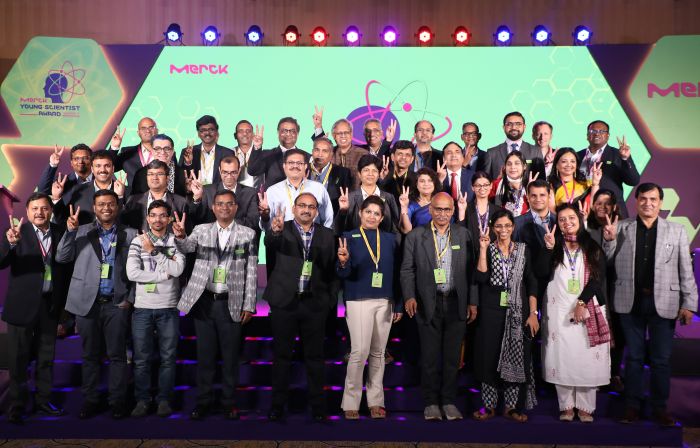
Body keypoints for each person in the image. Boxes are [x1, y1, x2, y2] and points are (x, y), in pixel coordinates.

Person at [601, 183, 698, 426]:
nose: (648, 203)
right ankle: (631, 407)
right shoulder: (621, 227)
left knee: (660, 360)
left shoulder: (676, 230)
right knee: (633, 358)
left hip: (665, 303)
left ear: (661, 203)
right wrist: (609, 240)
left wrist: (689, 304)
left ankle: (659, 409)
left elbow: (686, 271)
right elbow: (607, 262)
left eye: (653, 199)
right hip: (629, 301)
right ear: (636, 201)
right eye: (643, 199)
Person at [173, 189, 258, 421]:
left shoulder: (248, 234)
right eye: (220, 203)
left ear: (236, 207)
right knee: (205, 357)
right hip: (204, 302)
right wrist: (180, 236)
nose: (224, 208)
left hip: (232, 302)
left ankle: (229, 403)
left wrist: (249, 304)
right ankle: (203, 402)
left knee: (230, 358)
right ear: (213, 207)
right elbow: (186, 248)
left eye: (229, 204)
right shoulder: (201, 230)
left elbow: (252, 270)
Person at [56, 190, 137, 419]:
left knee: (118, 355)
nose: (106, 208)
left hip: (116, 304)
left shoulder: (131, 234)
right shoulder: (80, 231)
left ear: (117, 207)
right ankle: (91, 399)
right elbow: (62, 257)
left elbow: (138, 269)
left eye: (111, 204)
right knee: (90, 355)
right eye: (101, 204)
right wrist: (69, 232)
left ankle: (117, 401)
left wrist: (130, 298)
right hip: (86, 303)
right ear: (94, 207)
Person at [401, 192, 478, 421]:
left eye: (447, 209)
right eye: (438, 209)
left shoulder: (463, 234)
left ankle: (449, 401)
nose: (442, 214)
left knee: (452, 358)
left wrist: (472, 301)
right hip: (427, 303)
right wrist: (409, 296)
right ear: (430, 210)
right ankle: (431, 402)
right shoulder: (416, 236)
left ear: (453, 211)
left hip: (456, 302)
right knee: (430, 357)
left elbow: (472, 272)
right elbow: (407, 270)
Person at [264, 192, 338, 421]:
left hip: (314, 304)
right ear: (294, 208)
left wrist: (329, 301)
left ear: (317, 211)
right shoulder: (281, 228)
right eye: (302, 205)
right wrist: (274, 231)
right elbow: (270, 244)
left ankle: (318, 407)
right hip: (284, 303)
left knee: (315, 358)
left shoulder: (327, 235)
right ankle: (277, 406)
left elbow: (332, 271)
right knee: (282, 357)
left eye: (311, 207)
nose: (306, 210)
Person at [537, 203, 610, 423]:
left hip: (587, 306)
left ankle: (586, 407)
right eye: (562, 219)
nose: (567, 222)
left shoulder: (592, 246)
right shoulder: (554, 245)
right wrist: (547, 249)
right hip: (559, 310)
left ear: (579, 220)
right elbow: (541, 273)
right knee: (563, 357)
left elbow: (598, 278)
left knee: (586, 357)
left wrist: (581, 302)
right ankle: (566, 406)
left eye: (571, 218)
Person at [1, 193, 68, 423]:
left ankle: (43, 401)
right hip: (21, 305)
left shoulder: (60, 232)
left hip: (49, 305)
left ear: (50, 211)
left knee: (46, 357)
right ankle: (17, 405)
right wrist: (11, 244)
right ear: (28, 212)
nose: (40, 212)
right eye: (35, 209)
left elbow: (65, 270)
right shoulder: (16, 232)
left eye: (44, 208)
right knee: (18, 359)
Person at [337, 196, 403, 419]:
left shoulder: (390, 239)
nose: (372, 217)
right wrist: (343, 262)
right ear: (360, 213)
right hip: (358, 299)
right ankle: (350, 402)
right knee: (359, 351)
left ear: (382, 218)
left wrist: (398, 303)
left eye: (376, 213)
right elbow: (343, 274)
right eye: (368, 212)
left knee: (378, 353)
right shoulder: (349, 237)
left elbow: (396, 274)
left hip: (384, 300)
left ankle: (376, 401)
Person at [472, 209, 539, 422]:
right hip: (491, 310)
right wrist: (483, 250)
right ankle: (489, 405)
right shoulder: (488, 248)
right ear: (493, 228)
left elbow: (531, 281)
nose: (503, 230)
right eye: (499, 226)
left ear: (513, 227)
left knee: (516, 355)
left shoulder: (523, 249)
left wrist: (533, 313)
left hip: (519, 311)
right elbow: (481, 277)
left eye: (507, 226)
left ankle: (511, 407)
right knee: (488, 356)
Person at [126, 200, 186, 418]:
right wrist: (162, 274)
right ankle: (142, 400)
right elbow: (132, 273)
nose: (157, 219)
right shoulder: (137, 241)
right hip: (142, 308)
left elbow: (177, 270)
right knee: (141, 359)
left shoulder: (176, 240)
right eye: (153, 215)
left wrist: (153, 252)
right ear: (147, 218)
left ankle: (164, 400)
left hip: (168, 307)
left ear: (169, 219)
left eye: (162, 215)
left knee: (168, 358)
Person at [585, 189, 624, 392]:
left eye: (607, 203)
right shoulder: (586, 228)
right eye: (598, 202)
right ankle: (595, 374)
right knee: (595, 332)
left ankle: (614, 373)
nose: (602, 207)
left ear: (614, 206)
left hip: (617, 287)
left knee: (617, 331)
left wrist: (612, 239)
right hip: (594, 287)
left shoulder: (623, 227)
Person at [578, 120, 641, 218]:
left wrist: (625, 158)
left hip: (612, 212)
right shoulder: (577, 156)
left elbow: (633, 181)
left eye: (601, 131)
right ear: (587, 135)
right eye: (593, 131)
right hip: (584, 212)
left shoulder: (618, 154)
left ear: (608, 136)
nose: (597, 134)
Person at [258, 148, 334, 230]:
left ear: (305, 166)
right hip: (282, 236)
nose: (295, 166)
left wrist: (322, 236)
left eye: (299, 163)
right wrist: (265, 217)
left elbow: (328, 219)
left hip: (313, 236)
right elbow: (266, 228)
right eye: (291, 163)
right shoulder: (273, 191)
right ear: (284, 166)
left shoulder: (318, 188)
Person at [52, 150, 126, 225]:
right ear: (92, 169)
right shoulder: (78, 190)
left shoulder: (126, 192)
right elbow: (60, 220)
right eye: (98, 166)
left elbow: (126, 222)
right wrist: (56, 197)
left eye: (107, 166)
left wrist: (119, 197)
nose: (102, 170)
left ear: (113, 169)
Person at [514, 179, 557, 303]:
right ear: (527, 197)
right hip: (528, 284)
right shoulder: (516, 223)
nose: (538, 199)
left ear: (549, 196)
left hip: (556, 282)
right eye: (533, 195)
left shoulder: (560, 221)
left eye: (542, 195)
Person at [190, 155, 259, 230]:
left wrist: (224, 223)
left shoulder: (251, 193)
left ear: (239, 171)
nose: (229, 177)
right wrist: (197, 198)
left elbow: (253, 223)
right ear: (220, 171)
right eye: (225, 172)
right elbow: (196, 219)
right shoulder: (207, 191)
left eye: (233, 172)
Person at [335, 154, 400, 235]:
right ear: (359, 174)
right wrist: (343, 211)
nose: (370, 174)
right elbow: (338, 230)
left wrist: (393, 242)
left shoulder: (389, 198)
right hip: (356, 241)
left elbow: (395, 228)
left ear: (379, 174)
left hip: (384, 242)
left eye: (374, 171)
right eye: (366, 170)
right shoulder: (349, 198)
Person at [121, 160, 190, 232]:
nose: (155, 177)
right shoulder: (133, 200)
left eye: (159, 174)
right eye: (150, 174)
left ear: (167, 178)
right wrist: (120, 196)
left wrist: (181, 235)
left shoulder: (180, 202)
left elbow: (188, 231)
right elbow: (120, 223)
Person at [248, 116, 306, 190]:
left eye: (292, 131)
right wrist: (257, 146)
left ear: (297, 134)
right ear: (278, 132)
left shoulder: (307, 157)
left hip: (299, 196)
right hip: (273, 196)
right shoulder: (267, 155)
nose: (288, 134)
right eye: (284, 131)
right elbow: (253, 171)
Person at [484, 111, 541, 181]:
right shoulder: (492, 153)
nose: (514, 127)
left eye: (518, 124)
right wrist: (497, 182)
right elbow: (484, 181)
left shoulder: (536, 151)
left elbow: (541, 181)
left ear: (524, 127)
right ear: (504, 127)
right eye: (509, 124)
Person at [179, 115, 234, 185]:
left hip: (218, 191)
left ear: (216, 132)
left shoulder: (228, 153)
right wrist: (188, 163)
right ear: (198, 134)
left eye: (211, 130)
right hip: (193, 191)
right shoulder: (188, 152)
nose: (207, 133)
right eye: (203, 130)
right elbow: (180, 177)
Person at [107, 117, 159, 191]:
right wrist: (114, 148)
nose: (147, 131)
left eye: (151, 127)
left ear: (157, 130)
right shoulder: (127, 152)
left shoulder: (165, 153)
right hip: (135, 197)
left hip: (161, 197)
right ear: (138, 133)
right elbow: (110, 167)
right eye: (143, 128)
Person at [308, 136, 351, 215]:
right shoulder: (303, 170)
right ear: (312, 151)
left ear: (331, 154)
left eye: (325, 151)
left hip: (331, 218)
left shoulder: (342, 173)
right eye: (317, 150)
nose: (320, 154)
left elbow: (345, 201)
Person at [548, 147, 601, 212]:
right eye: (564, 161)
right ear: (556, 165)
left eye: (572, 161)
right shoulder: (551, 187)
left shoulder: (585, 185)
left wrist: (595, 184)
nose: (569, 165)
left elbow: (594, 206)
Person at [399, 167, 441, 233]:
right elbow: (406, 230)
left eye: (430, 180)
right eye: (422, 181)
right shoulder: (410, 204)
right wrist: (404, 208)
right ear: (416, 184)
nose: (426, 184)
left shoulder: (441, 202)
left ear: (434, 183)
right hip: (416, 238)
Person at [490, 150, 532, 217]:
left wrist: (531, 191)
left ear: (524, 166)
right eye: (509, 164)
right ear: (505, 167)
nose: (512, 167)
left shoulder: (530, 185)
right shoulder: (496, 184)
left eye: (517, 163)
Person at [330, 119, 369, 189]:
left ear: (351, 134)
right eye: (339, 133)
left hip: (357, 195)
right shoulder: (329, 154)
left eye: (346, 132)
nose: (343, 136)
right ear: (334, 136)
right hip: (333, 195)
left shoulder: (363, 154)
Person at [463, 171, 500, 242]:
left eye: (486, 185)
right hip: (471, 247)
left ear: (491, 186)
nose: (482, 188)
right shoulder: (465, 208)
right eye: (478, 185)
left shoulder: (498, 211)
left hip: (492, 247)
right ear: (472, 187)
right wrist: (462, 211)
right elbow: (461, 233)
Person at [379, 140, 416, 206]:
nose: (403, 157)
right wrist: (382, 181)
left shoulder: (417, 179)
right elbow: (379, 201)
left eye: (407, 155)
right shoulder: (384, 177)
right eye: (400, 154)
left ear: (412, 159)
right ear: (392, 157)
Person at [232, 119, 264, 188]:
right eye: (241, 131)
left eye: (248, 131)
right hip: (234, 193)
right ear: (235, 135)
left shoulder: (262, 154)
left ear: (253, 135)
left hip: (257, 193)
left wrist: (257, 147)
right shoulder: (229, 153)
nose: (245, 134)